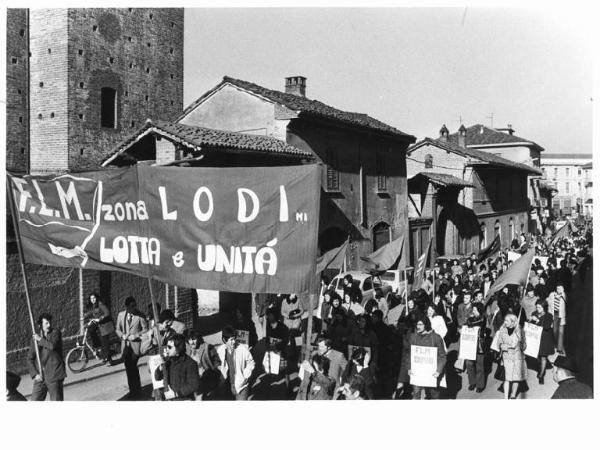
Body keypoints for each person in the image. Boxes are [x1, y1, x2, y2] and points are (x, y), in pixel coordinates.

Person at [403, 316, 446, 400]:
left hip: (432, 373)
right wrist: (409, 368)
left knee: (434, 395)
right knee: (416, 394)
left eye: (420, 324)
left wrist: (438, 371)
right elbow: (409, 354)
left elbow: (442, 356)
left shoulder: (436, 338)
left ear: (426, 325)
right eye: (417, 324)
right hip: (417, 373)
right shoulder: (413, 337)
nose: (418, 326)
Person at [28, 313, 66, 401]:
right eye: (46, 323)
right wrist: (35, 374)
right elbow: (30, 359)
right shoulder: (35, 339)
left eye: (50, 323)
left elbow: (52, 346)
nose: (49, 325)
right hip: (40, 377)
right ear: (40, 325)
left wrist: (40, 340)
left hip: (54, 374)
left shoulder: (55, 333)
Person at [116, 296, 148, 400]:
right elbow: (117, 329)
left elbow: (145, 329)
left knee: (133, 368)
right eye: (131, 306)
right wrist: (122, 335)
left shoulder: (140, 316)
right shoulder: (121, 315)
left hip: (135, 347)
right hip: (125, 347)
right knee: (128, 369)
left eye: (135, 305)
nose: (134, 308)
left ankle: (137, 391)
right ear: (126, 307)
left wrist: (136, 335)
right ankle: (132, 391)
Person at [154, 333, 200, 400]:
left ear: (178, 348)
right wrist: (160, 367)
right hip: (169, 398)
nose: (166, 349)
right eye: (167, 346)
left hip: (183, 399)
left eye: (169, 347)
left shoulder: (190, 363)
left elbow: (194, 385)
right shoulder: (168, 361)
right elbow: (157, 377)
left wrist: (176, 393)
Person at [216, 325, 255, 400]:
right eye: (231, 340)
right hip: (228, 385)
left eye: (234, 339)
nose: (234, 342)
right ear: (224, 340)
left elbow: (251, 362)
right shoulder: (220, 350)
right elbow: (217, 362)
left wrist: (246, 375)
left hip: (241, 385)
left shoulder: (242, 349)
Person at [497, 314, 527, 399]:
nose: (505, 322)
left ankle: (513, 395)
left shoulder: (520, 331)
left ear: (513, 322)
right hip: (507, 357)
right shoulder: (502, 330)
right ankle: (506, 398)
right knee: (507, 378)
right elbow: (498, 343)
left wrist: (519, 343)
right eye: (505, 320)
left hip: (517, 357)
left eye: (507, 321)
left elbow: (524, 346)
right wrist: (504, 346)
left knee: (515, 377)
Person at [187, 330, 220, 400]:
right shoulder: (189, 350)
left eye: (194, 339)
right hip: (195, 381)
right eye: (189, 340)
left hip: (207, 379)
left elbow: (217, 362)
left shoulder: (207, 348)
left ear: (198, 338)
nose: (192, 342)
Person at [83, 292, 114, 364]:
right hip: (99, 324)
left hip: (105, 325)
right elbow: (91, 312)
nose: (92, 300)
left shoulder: (100, 304)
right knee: (91, 330)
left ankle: (109, 360)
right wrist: (84, 316)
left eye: (94, 298)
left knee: (105, 342)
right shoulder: (93, 306)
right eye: (91, 298)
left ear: (96, 298)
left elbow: (107, 312)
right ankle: (98, 346)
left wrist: (100, 318)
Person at [529, 300, 555, 384]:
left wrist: (537, 321)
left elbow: (547, 326)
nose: (538, 309)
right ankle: (540, 368)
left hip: (545, 339)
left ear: (544, 307)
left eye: (540, 307)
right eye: (537, 307)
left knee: (543, 357)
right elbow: (530, 327)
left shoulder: (549, 316)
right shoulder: (534, 313)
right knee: (537, 356)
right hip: (536, 338)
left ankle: (541, 375)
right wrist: (530, 320)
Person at [465, 303, 487, 393]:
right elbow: (466, 324)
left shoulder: (482, 318)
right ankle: (472, 382)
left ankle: (480, 384)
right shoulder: (471, 318)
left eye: (475, 310)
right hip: (470, 344)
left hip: (479, 345)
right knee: (469, 364)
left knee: (479, 365)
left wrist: (470, 322)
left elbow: (478, 323)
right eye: (473, 310)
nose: (473, 311)